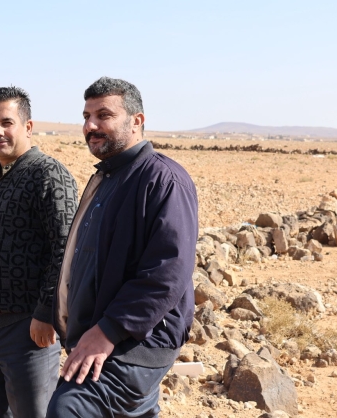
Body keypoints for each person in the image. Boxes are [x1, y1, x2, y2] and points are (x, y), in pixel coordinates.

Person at [48, 77, 199, 418]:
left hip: (134, 342)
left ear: (136, 121)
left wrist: (108, 330)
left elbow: (168, 272)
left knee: (68, 406)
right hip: (104, 336)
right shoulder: (109, 178)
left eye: (104, 115)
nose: (90, 126)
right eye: (86, 116)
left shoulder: (162, 179)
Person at [0, 86, 79, 418]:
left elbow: (66, 248)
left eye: (6, 122)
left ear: (27, 127)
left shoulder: (49, 175)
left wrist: (46, 313)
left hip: (28, 333)